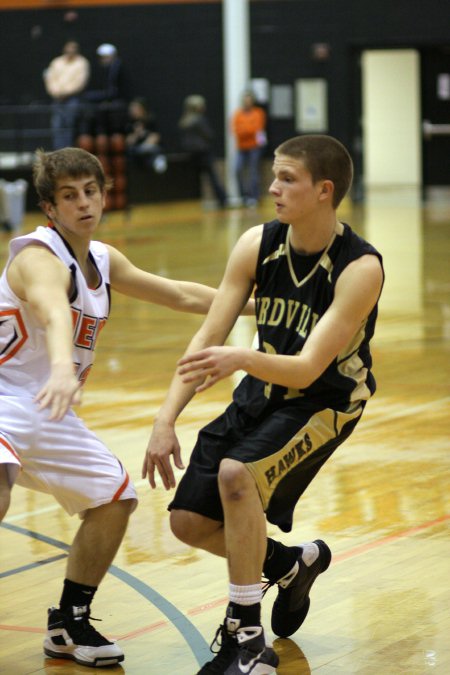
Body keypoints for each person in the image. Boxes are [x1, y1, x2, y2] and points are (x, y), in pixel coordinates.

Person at [0, 147, 253, 668]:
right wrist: (65, 367)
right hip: (7, 395)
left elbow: (181, 294)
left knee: (114, 498)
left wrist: (260, 305)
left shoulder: (103, 259)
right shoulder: (35, 256)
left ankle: (69, 623)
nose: (83, 203)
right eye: (69, 196)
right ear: (50, 208)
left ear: (104, 193)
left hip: (48, 409)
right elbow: (51, 310)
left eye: (90, 191)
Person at [144, 134, 384, 673]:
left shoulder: (359, 267)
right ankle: (291, 565)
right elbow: (209, 335)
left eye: (287, 178)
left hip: (325, 402)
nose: (272, 187)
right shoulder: (257, 243)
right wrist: (164, 419)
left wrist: (240, 358)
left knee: (237, 475)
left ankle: (247, 639)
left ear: (324, 191)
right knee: (186, 520)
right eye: (274, 176)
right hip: (264, 391)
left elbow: (306, 369)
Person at [178, 95, 228, 208]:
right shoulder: (199, 120)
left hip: (191, 153)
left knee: (194, 178)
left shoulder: (184, 121)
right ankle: (223, 199)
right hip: (203, 152)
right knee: (213, 177)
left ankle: (194, 200)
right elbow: (209, 135)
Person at [43, 41, 90, 149]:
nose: (70, 51)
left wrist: (65, 93)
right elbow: (50, 79)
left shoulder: (81, 62)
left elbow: (80, 82)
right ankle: (58, 152)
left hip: (72, 99)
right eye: (69, 48)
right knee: (57, 125)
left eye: (73, 48)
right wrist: (56, 92)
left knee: (70, 125)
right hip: (57, 99)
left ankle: (68, 152)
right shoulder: (56, 62)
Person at [82, 43, 127, 136]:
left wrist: (106, 99)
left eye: (105, 57)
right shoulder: (109, 68)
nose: (102, 60)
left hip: (116, 100)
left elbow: (114, 90)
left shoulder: (117, 68)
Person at [231, 90, 267, 207]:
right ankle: (244, 196)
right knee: (237, 169)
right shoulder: (238, 114)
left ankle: (254, 197)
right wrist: (247, 129)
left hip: (254, 147)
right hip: (241, 147)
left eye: (249, 100)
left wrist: (245, 129)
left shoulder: (258, 112)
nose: (247, 102)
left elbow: (256, 128)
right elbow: (236, 130)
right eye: (245, 100)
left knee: (253, 172)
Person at [125, 97, 167, 174]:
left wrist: (146, 145)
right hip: (135, 150)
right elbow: (128, 142)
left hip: (148, 148)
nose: (133, 111)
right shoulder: (129, 123)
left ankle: (157, 162)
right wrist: (136, 134)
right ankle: (158, 160)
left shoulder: (150, 121)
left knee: (152, 150)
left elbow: (155, 137)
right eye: (132, 109)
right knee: (142, 151)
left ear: (142, 109)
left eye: (136, 109)